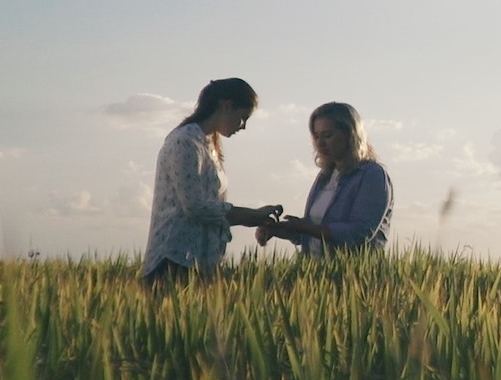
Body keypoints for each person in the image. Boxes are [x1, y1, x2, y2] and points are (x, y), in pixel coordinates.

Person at [141, 77, 282, 284]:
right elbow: (196, 207)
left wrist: (254, 217)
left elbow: (210, 208)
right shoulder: (185, 141)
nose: (242, 126)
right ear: (226, 106)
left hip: (197, 260)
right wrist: (251, 215)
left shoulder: (207, 144)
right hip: (174, 261)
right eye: (243, 117)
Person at [257, 101, 392, 254]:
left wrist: (305, 227)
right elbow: (311, 235)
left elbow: (359, 233)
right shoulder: (325, 176)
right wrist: (277, 230)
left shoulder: (372, 175)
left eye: (327, 135)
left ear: (350, 135)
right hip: (316, 271)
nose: (320, 143)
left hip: (351, 273)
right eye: (316, 136)